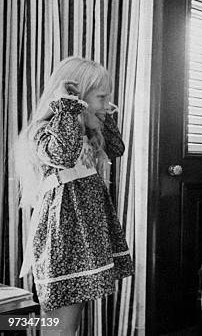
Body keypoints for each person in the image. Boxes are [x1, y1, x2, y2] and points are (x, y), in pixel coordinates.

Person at [16, 57, 134, 334]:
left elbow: (117, 147)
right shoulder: (46, 133)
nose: (106, 105)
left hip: (84, 238)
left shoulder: (85, 135)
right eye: (102, 98)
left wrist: (103, 115)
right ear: (74, 97)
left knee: (72, 316)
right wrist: (68, 105)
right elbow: (63, 155)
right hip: (64, 241)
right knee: (59, 323)